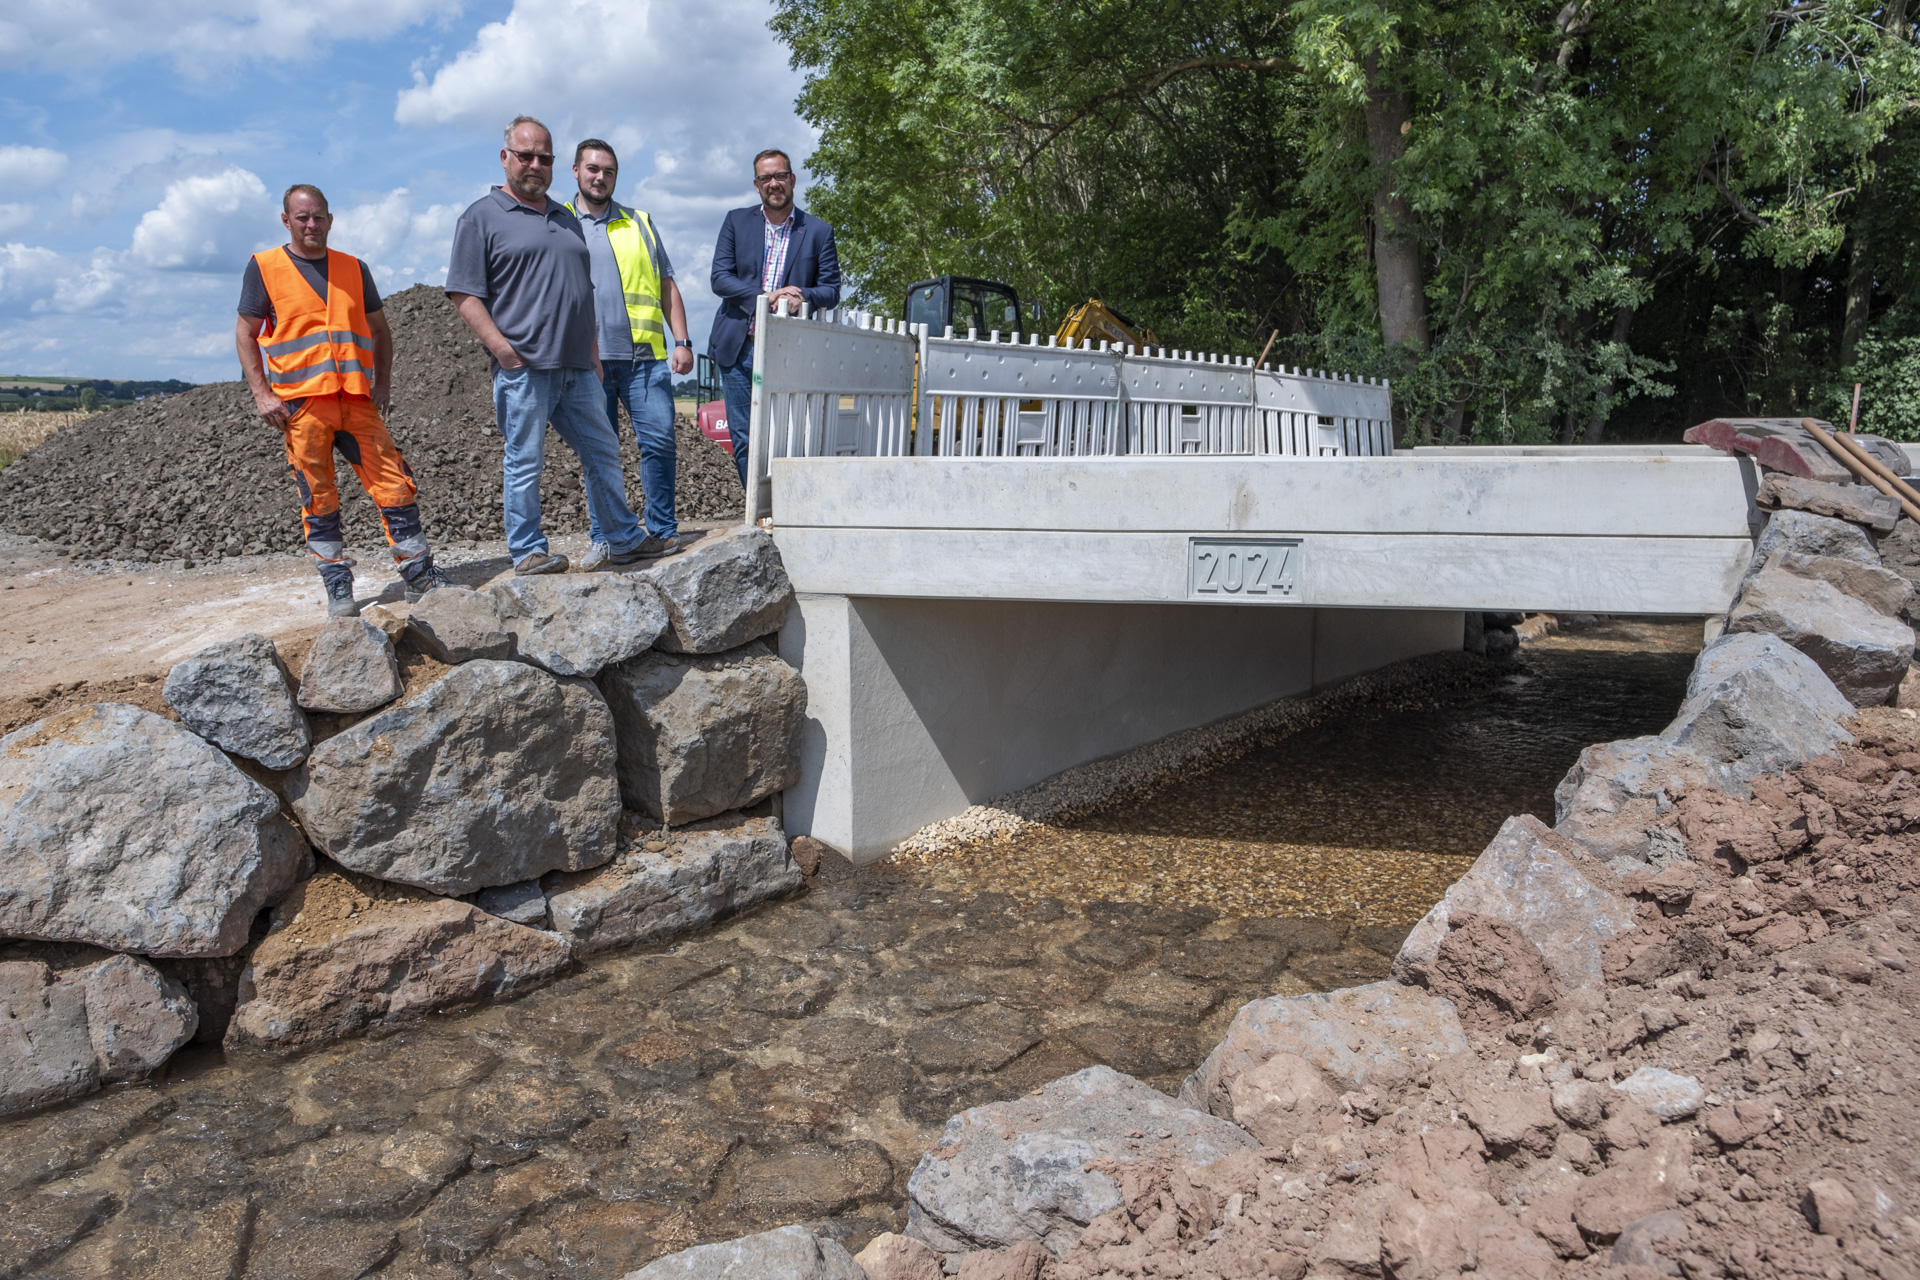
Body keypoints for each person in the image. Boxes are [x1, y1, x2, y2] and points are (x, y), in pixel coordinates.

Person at [445, 115, 648, 574]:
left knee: (602, 451)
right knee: (525, 459)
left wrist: (593, 355)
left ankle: (621, 537)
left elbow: (584, 291)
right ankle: (527, 550)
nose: (535, 164)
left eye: (544, 158)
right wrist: (503, 351)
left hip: (578, 366)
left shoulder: (564, 217)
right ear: (505, 159)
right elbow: (463, 292)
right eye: (526, 156)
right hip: (525, 366)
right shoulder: (481, 217)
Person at [235, 183, 450, 618]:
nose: (311, 224)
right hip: (302, 407)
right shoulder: (265, 267)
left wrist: (383, 383)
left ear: (330, 219)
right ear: (286, 220)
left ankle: (418, 575)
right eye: (302, 217)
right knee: (319, 496)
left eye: (318, 216)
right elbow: (246, 333)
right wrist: (261, 394)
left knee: (395, 484)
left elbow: (380, 330)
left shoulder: (354, 268)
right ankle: (338, 588)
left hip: (355, 400)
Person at [565, 138, 693, 566]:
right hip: (588, 363)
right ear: (576, 171)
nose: (600, 177)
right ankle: (605, 536)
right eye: (592, 169)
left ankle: (661, 531)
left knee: (658, 442)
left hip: (645, 358)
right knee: (599, 453)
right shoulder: (558, 222)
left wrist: (682, 341)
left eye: (608, 171)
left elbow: (665, 283)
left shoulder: (639, 222)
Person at [707, 148, 842, 488]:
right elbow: (720, 278)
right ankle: (759, 513)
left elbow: (831, 289)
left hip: (789, 350)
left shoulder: (818, 231)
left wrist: (801, 297)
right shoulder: (736, 222)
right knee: (744, 436)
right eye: (766, 178)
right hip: (739, 348)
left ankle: (788, 506)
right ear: (757, 185)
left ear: (792, 179)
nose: (774, 184)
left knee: (788, 432)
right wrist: (766, 297)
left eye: (780, 176)